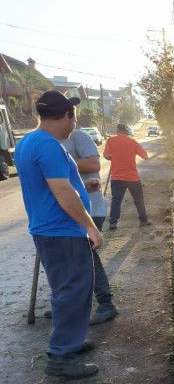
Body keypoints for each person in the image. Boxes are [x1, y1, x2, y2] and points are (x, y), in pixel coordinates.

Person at [16, 90, 103, 379]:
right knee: (73, 291)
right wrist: (90, 225)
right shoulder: (48, 146)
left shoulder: (29, 142)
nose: (73, 124)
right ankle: (61, 355)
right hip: (62, 230)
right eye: (73, 117)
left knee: (70, 290)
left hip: (50, 228)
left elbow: (53, 187)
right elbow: (62, 191)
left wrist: (82, 191)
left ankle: (71, 341)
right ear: (67, 115)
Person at [62, 124, 119, 325]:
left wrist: (59, 162)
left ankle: (106, 304)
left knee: (87, 256)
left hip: (90, 209)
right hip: (67, 210)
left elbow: (94, 164)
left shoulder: (78, 136)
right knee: (70, 259)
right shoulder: (46, 141)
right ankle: (71, 303)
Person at [103, 123, 149, 229]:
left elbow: (106, 155)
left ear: (117, 131)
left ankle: (113, 223)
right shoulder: (132, 142)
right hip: (132, 177)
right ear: (126, 132)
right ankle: (143, 220)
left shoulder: (110, 141)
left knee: (116, 200)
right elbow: (145, 156)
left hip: (117, 177)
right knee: (138, 199)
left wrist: (112, 158)